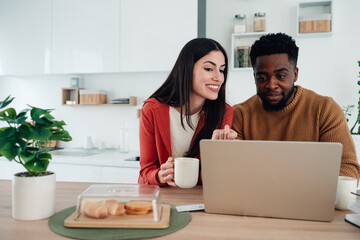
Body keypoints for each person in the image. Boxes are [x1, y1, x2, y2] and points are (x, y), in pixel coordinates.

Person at [232, 32, 360, 180]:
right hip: (255, 200)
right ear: (254, 77)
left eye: (281, 76)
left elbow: (348, 170)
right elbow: (235, 171)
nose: (271, 85)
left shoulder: (325, 110)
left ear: (295, 74)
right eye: (262, 78)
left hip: (310, 200)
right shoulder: (240, 114)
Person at [139, 38, 237, 186]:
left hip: (201, 198)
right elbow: (145, 172)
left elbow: (215, 179)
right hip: (163, 197)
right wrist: (160, 175)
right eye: (209, 69)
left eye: (222, 70)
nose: (218, 78)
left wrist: (217, 154)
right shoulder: (151, 110)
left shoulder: (224, 112)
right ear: (187, 68)